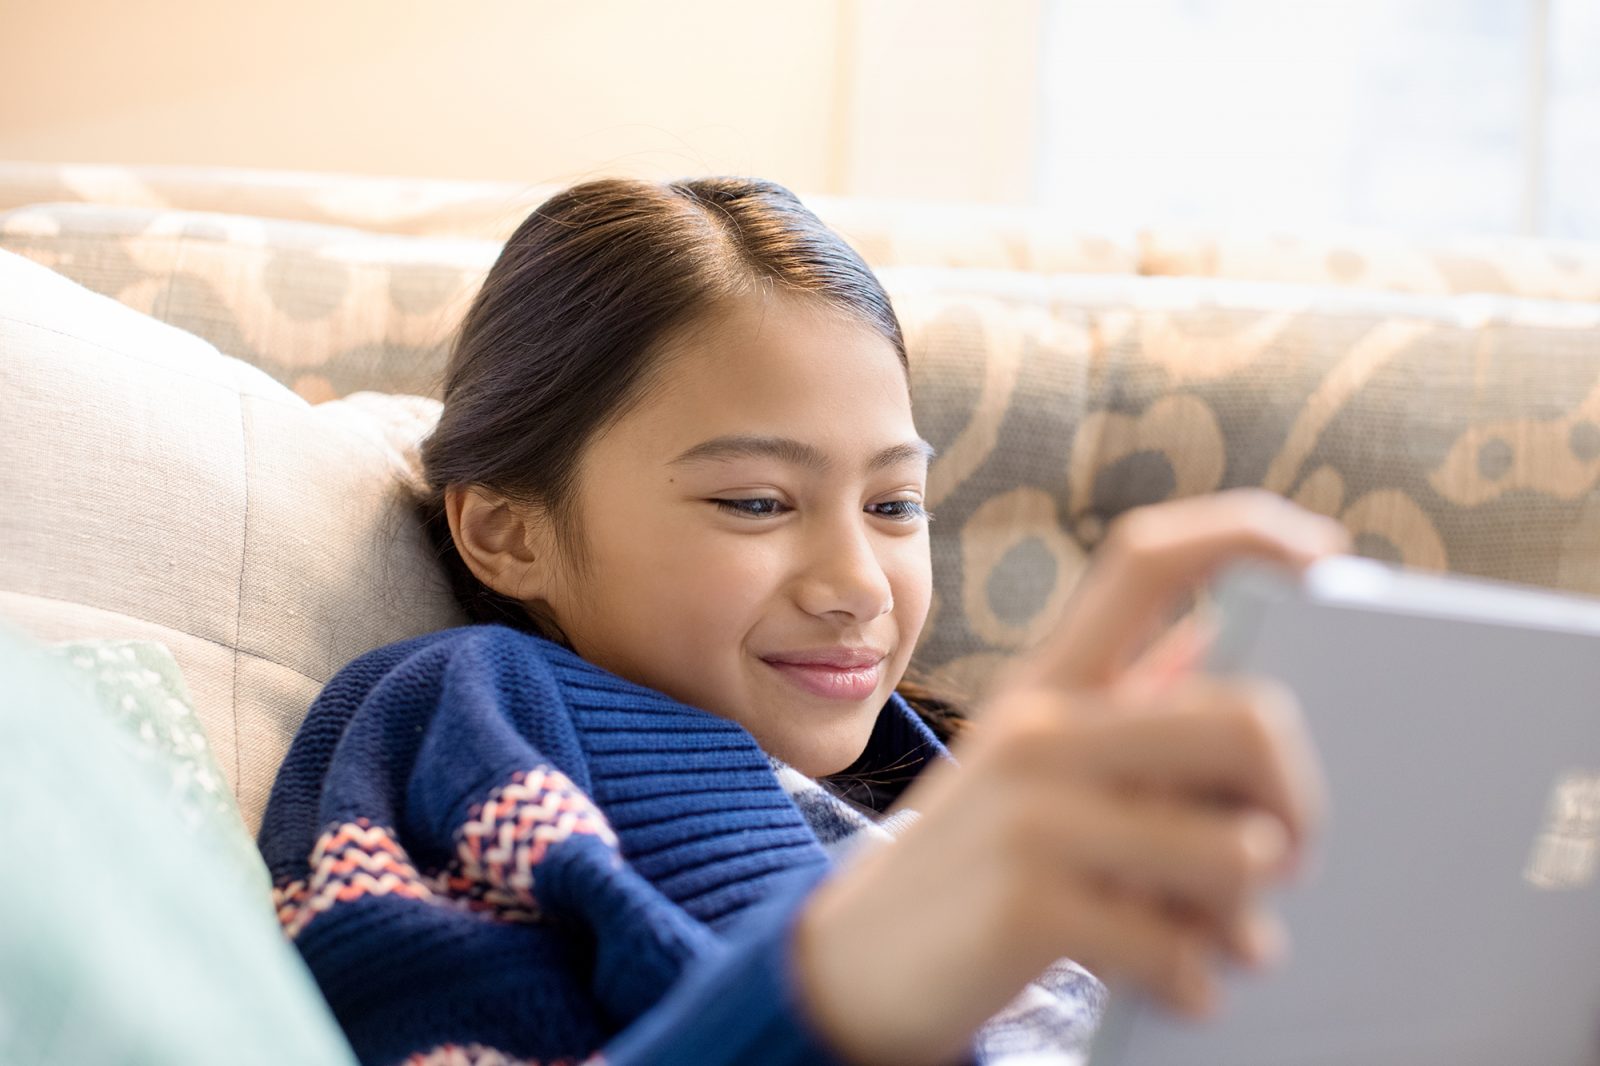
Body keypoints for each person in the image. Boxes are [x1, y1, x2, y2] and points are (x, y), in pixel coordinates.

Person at [256, 176, 1351, 1066]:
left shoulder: (962, 787)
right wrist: (839, 983)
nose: (859, 584)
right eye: (756, 503)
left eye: (893, 505)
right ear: (507, 531)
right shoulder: (468, 725)